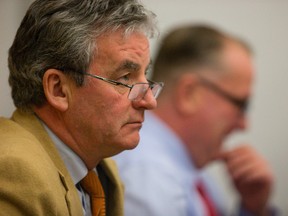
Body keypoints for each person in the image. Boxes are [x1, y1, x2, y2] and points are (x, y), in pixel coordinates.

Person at [0, 0, 163, 215]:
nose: (150, 101)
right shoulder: (13, 172)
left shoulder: (102, 171)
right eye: (125, 79)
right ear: (59, 89)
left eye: (145, 77)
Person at [114, 25, 276, 216]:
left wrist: (253, 208)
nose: (244, 125)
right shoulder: (149, 176)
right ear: (189, 94)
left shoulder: (188, 167)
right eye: (240, 105)